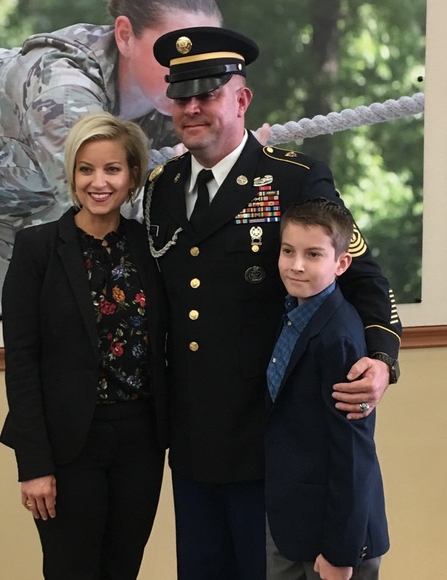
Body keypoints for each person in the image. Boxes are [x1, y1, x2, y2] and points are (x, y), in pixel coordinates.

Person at [145, 26, 401, 580]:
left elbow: (365, 277)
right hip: (192, 438)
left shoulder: (293, 179)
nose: (192, 108)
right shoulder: (160, 187)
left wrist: (382, 360)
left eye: (207, 94)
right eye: (181, 97)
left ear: (241, 100)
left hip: (270, 439)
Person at [0, 0, 222, 325]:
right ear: (125, 35)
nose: (190, 72)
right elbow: (103, 202)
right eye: (172, 52)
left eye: (202, 60)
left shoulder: (171, 101)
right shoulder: (62, 90)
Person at [0, 111, 169, 579]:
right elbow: (22, 362)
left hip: (141, 440)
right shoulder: (36, 249)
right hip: (69, 443)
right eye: (86, 169)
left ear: (132, 175)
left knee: (122, 569)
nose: (99, 182)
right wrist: (33, 465)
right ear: (72, 175)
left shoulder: (150, 246)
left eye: (112, 169)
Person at [265, 198, 389, 580]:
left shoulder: (340, 338)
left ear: (342, 263)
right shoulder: (294, 312)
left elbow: (352, 453)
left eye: (313, 254)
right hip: (294, 522)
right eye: (288, 251)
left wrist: (340, 553)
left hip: (334, 539)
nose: (296, 265)